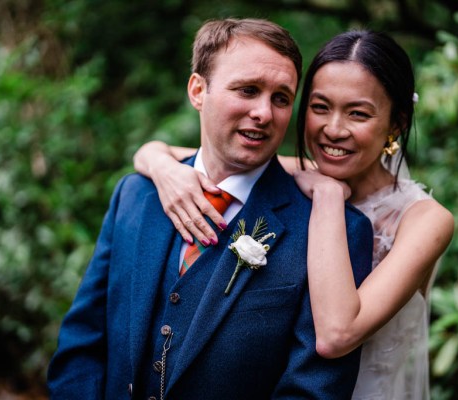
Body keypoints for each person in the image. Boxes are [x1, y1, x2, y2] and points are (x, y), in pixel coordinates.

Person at [47, 18, 374, 400]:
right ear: (198, 90)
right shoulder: (135, 195)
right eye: (248, 90)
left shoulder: (334, 229)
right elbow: (81, 345)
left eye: (281, 98)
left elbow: (313, 389)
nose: (264, 113)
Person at [133, 29, 454, 399]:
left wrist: (329, 198)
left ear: (395, 123)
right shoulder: (296, 170)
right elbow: (166, 152)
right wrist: (160, 167)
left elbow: (337, 335)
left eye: (358, 113)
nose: (333, 130)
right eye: (320, 107)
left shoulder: (425, 220)